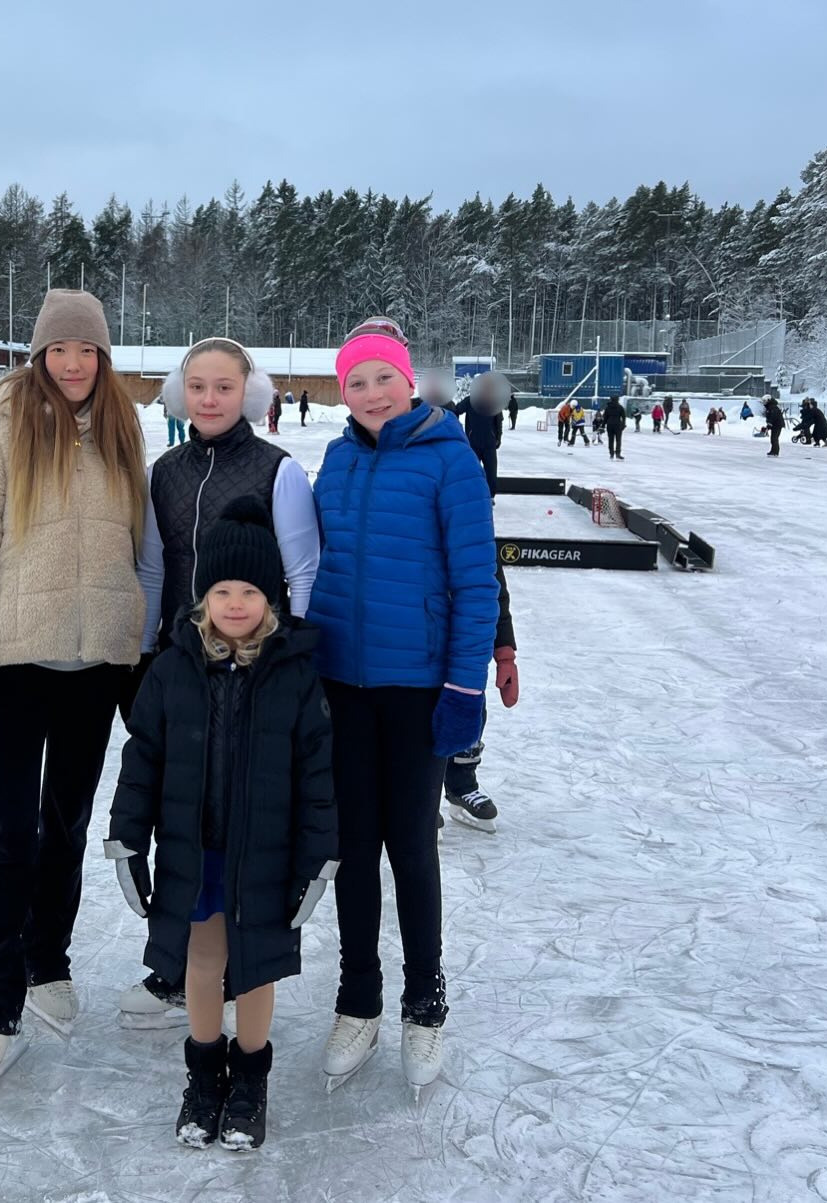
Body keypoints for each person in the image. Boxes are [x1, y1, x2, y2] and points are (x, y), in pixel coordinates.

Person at [0, 290, 149, 1092]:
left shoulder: (126, 429)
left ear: (104, 356)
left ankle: (47, 958)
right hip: (18, 660)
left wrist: (142, 655)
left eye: (87, 350)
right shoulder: (4, 428)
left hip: (99, 667)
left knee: (67, 824)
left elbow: (141, 549)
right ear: (39, 355)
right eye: (60, 350)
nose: (74, 364)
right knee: (10, 832)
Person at [107, 499, 338, 1151]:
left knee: (257, 965)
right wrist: (127, 835)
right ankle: (205, 1075)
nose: (235, 603)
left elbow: (317, 776)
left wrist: (318, 858)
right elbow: (141, 760)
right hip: (196, 850)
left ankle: (249, 1082)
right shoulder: (171, 668)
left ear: (273, 598)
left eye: (250, 591)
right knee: (203, 962)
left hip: (264, 856)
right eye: (221, 589)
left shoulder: (294, 673)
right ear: (201, 595)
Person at [307, 316, 499, 1091]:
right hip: (340, 687)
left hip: (416, 688)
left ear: (408, 378)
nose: (371, 393)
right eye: (356, 382)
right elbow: (313, 564)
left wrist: (463, 686)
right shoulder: (335, 457)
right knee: (351, 847)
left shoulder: (448, 460)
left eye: (383, 377)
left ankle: (425, 1000)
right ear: (342, 391)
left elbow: (475, 583)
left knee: (410, 846)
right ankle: (359, 997)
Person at [120, 336, 321, 1029]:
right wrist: (147, 656)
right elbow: (153, 569)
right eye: (197, 387)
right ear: (181, 394)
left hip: (257, 672)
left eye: (224, 387)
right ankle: (180, 966)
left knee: (246, 818)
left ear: (249, 394)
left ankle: (240, 963)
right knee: (189, 817)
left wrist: (284, 658)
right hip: (185, 669)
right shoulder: (164, 472)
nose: (209, 399)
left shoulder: (278, 470)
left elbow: (301, 573)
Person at [440, 562, 518, 831]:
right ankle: (416, 798)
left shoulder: (476, 527)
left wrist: (505, 653)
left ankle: (462, 786)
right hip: (418, 639)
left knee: (471, 714)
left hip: (467, 645)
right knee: (415, 720)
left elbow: (495, 591)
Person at [454, 370, 507, 497]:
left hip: (489, 443)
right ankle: (471, 494)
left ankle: (490, 495)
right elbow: (455, 411)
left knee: (491, 472)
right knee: (471, 471)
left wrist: (498, 437)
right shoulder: (470, 400)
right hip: (473, 443)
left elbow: (498, 420)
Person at [603, 393, 626, 460]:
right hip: (618, 425)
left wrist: (603, 426)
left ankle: (611, 454)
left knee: (611, 440)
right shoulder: (620, 407)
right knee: (618, 440)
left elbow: (605, 418)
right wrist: (623, 424)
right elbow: (623, 416)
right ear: (617, 400)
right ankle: (618, 454)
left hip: (609, 425)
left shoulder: (608, 407)